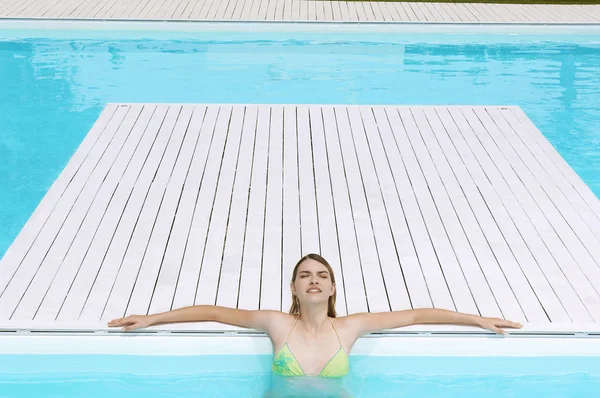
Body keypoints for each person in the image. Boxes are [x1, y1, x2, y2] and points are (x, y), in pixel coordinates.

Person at [108, 253, 522, 378]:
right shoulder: (277, 324)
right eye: (304, 275)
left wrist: (478, 319)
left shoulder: (350, 327)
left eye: (322, 276)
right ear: (293, 287)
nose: (313, 280)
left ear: (332, 287)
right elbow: (214, 311)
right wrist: (152, 318)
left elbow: (415, 314)